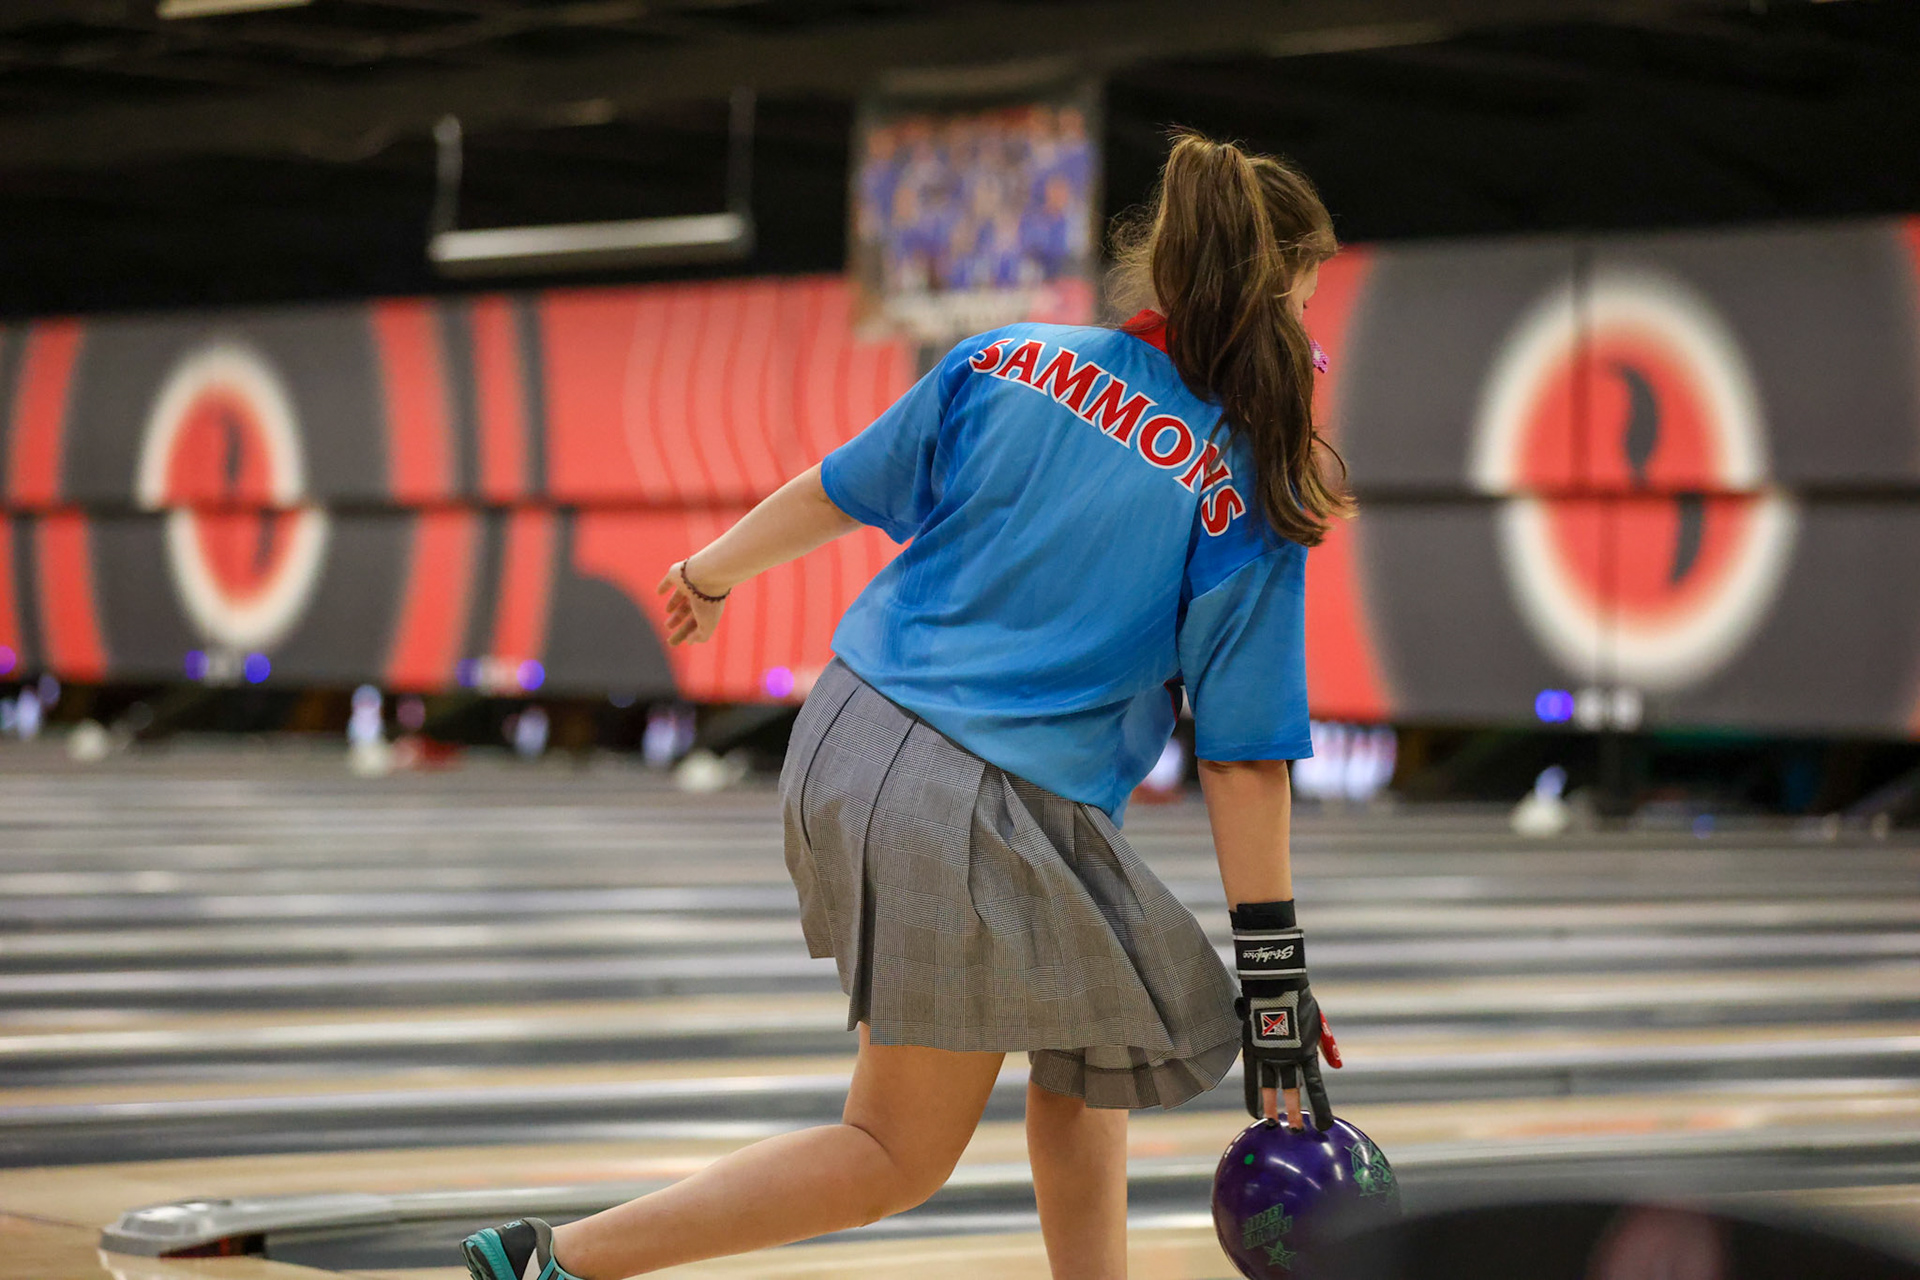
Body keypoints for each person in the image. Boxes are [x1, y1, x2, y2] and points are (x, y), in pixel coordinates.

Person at [463, 129, 1350, 1280]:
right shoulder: (1252, 484)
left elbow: (841, 484)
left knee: (1092, 1051)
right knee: (894, 1148)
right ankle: (554, 1260)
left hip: (850, 731)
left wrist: (712, 571)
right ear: (1278, 305)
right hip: (972, 804)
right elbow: (1241, 757)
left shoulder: (1014, 359)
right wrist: (1273, 982)